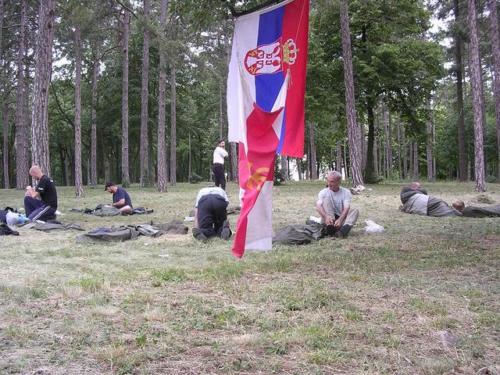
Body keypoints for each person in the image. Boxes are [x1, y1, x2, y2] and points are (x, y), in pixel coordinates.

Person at [316, 171, 359, 238]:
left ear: (339, 182)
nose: (329, 184)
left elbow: (346, 207)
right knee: (326, 200)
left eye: (332, 181)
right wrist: (326, 216)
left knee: (355, 210)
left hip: (340, 219)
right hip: (328, 219)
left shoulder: (346, 192)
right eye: (328, 181)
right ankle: (330, 227)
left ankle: (343, 230)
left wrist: (340, 219)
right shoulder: (323, 192)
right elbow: (318, 206)